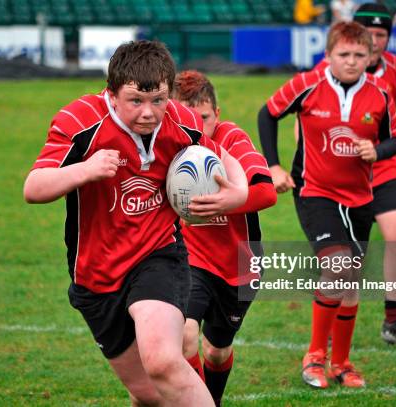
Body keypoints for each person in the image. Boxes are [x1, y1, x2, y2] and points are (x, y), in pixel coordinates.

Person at [24, 40, 250, 406]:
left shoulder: (182, 121)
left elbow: (223, 157)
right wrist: (85, 169)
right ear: (111, 94)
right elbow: (33, 187)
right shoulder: (79, 122)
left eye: (158, 100)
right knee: (147, 394)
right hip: (95, 275)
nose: (149, 112)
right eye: (136, 101)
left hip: (157, 256)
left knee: (163, 362)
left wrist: (236, 194)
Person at [258, 21, 396, 388]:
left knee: (351, 279)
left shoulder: (381, 94)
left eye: (359, 55)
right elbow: (268, 113)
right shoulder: (307, 84)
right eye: (344, 54)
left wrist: (378, 150)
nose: (352, 61)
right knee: (338, 268)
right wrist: (273, 164)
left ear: (371, 57)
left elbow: (395, 141)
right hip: (315, 192)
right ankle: (314, 356)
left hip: (360, 199)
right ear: (328, 56)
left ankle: (341, 362)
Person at [292, 2, 396, 349]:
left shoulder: (395, 69)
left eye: (380, 35)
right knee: (348, 266)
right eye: (367, 34)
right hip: (337, 175)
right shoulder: (330, 68)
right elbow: (304, 118)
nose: (373, 42)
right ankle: (332, 328)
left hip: (382, 168)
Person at [172, 71, 277, 406]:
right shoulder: (169, 144)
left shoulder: (232, 140)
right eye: (185, 117)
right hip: (191, 259)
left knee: (216, 352)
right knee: (185, 334)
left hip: (239, 266)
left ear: (217, 114)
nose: (195, 127)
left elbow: (266, 192)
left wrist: (231, 200)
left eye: (202, 118)